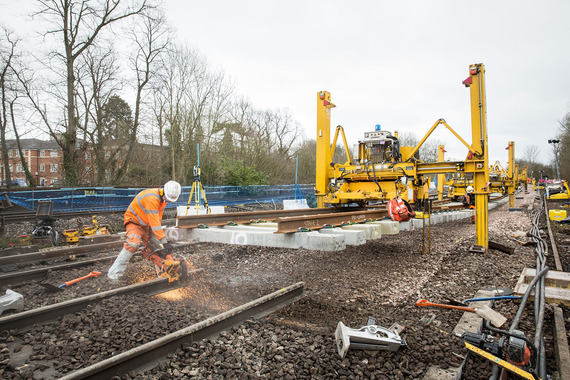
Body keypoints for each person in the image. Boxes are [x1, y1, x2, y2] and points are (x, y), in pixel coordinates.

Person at [108, 180, 182, 280]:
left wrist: (157, 241)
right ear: (163, 192)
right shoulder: (152, 198)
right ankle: (113, 275)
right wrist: (164, 241)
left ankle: (164, 271)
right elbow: (155, 223)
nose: (168, 201)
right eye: (168, 199)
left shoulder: (162, 200)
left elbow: (156, 220)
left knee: (155, 246)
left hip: (147, 224)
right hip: (134, 221)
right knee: (133, 244)